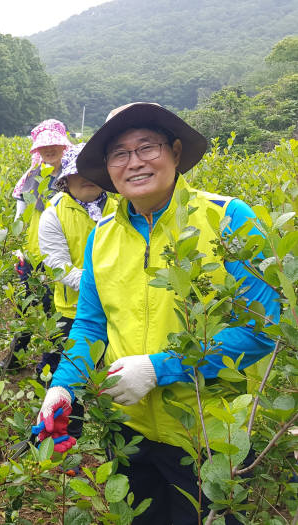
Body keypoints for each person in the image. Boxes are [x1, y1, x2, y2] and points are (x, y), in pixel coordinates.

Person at [35, 103, 279, 523]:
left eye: (147, 146)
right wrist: (63, 388)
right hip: (129, 430)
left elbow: (264, 329)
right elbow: (91, 326)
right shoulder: (102, 238)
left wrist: (160, 368)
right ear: (108, 168)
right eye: (120, 153)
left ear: (176, 151)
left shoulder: (228, 219)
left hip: (207, 431)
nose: (134, 162)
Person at [36, 143, 115, 439]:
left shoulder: (122, 205)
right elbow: (57, 265)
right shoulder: (54, 212)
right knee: (66, 371)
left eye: (93, 171)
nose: (87, 177)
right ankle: (66, 432)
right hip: (74, 311)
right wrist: (103, 286)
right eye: (77, 173)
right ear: (65, 180)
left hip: (120, 308)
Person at [0, 119, 73, 371]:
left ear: (63, 145)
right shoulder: (31, 177)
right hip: (32, 252)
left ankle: (51, 367)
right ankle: (15, 360)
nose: (49, 149)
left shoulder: (74, 176)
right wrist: (17, 248)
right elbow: (19, 216)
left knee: (62, 313)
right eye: (44, 146)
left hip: (65, 255)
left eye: (54, 144)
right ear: (37, 150)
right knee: (28, 308)